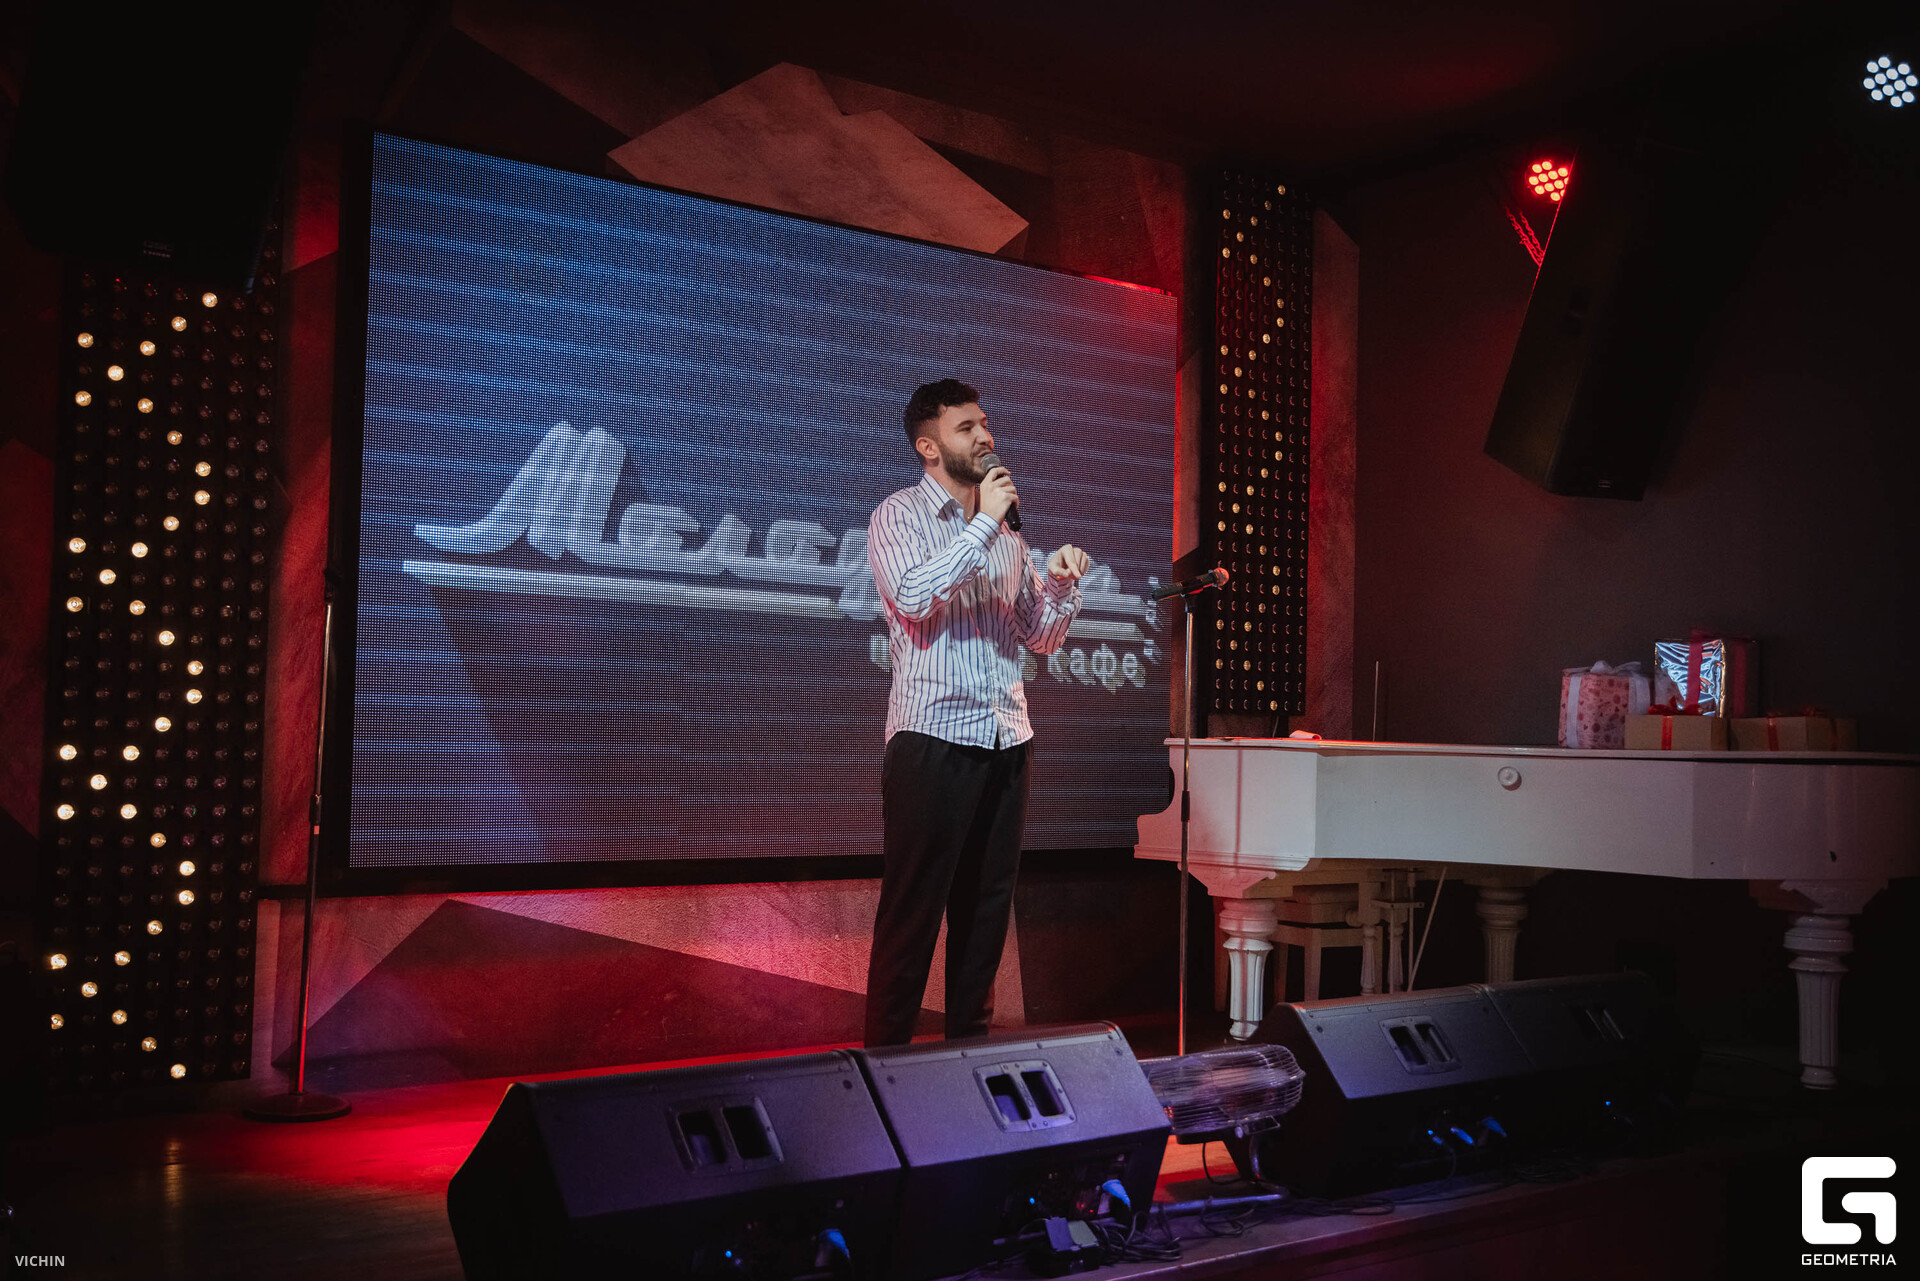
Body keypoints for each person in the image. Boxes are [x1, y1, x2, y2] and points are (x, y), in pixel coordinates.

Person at [862, 378, 1089, 1048]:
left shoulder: (1006, 533)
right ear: (929, 447)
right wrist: (984, 523)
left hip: (1007, 737)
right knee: (913, 918)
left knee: (985, 918)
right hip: (932, 737)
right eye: (967, 427)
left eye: (984, 423)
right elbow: (913, 597)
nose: (985, 435)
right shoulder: (899, 514)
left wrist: (1061, 585)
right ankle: (884, 1072)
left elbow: (1040, 636)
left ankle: (970, 1068)